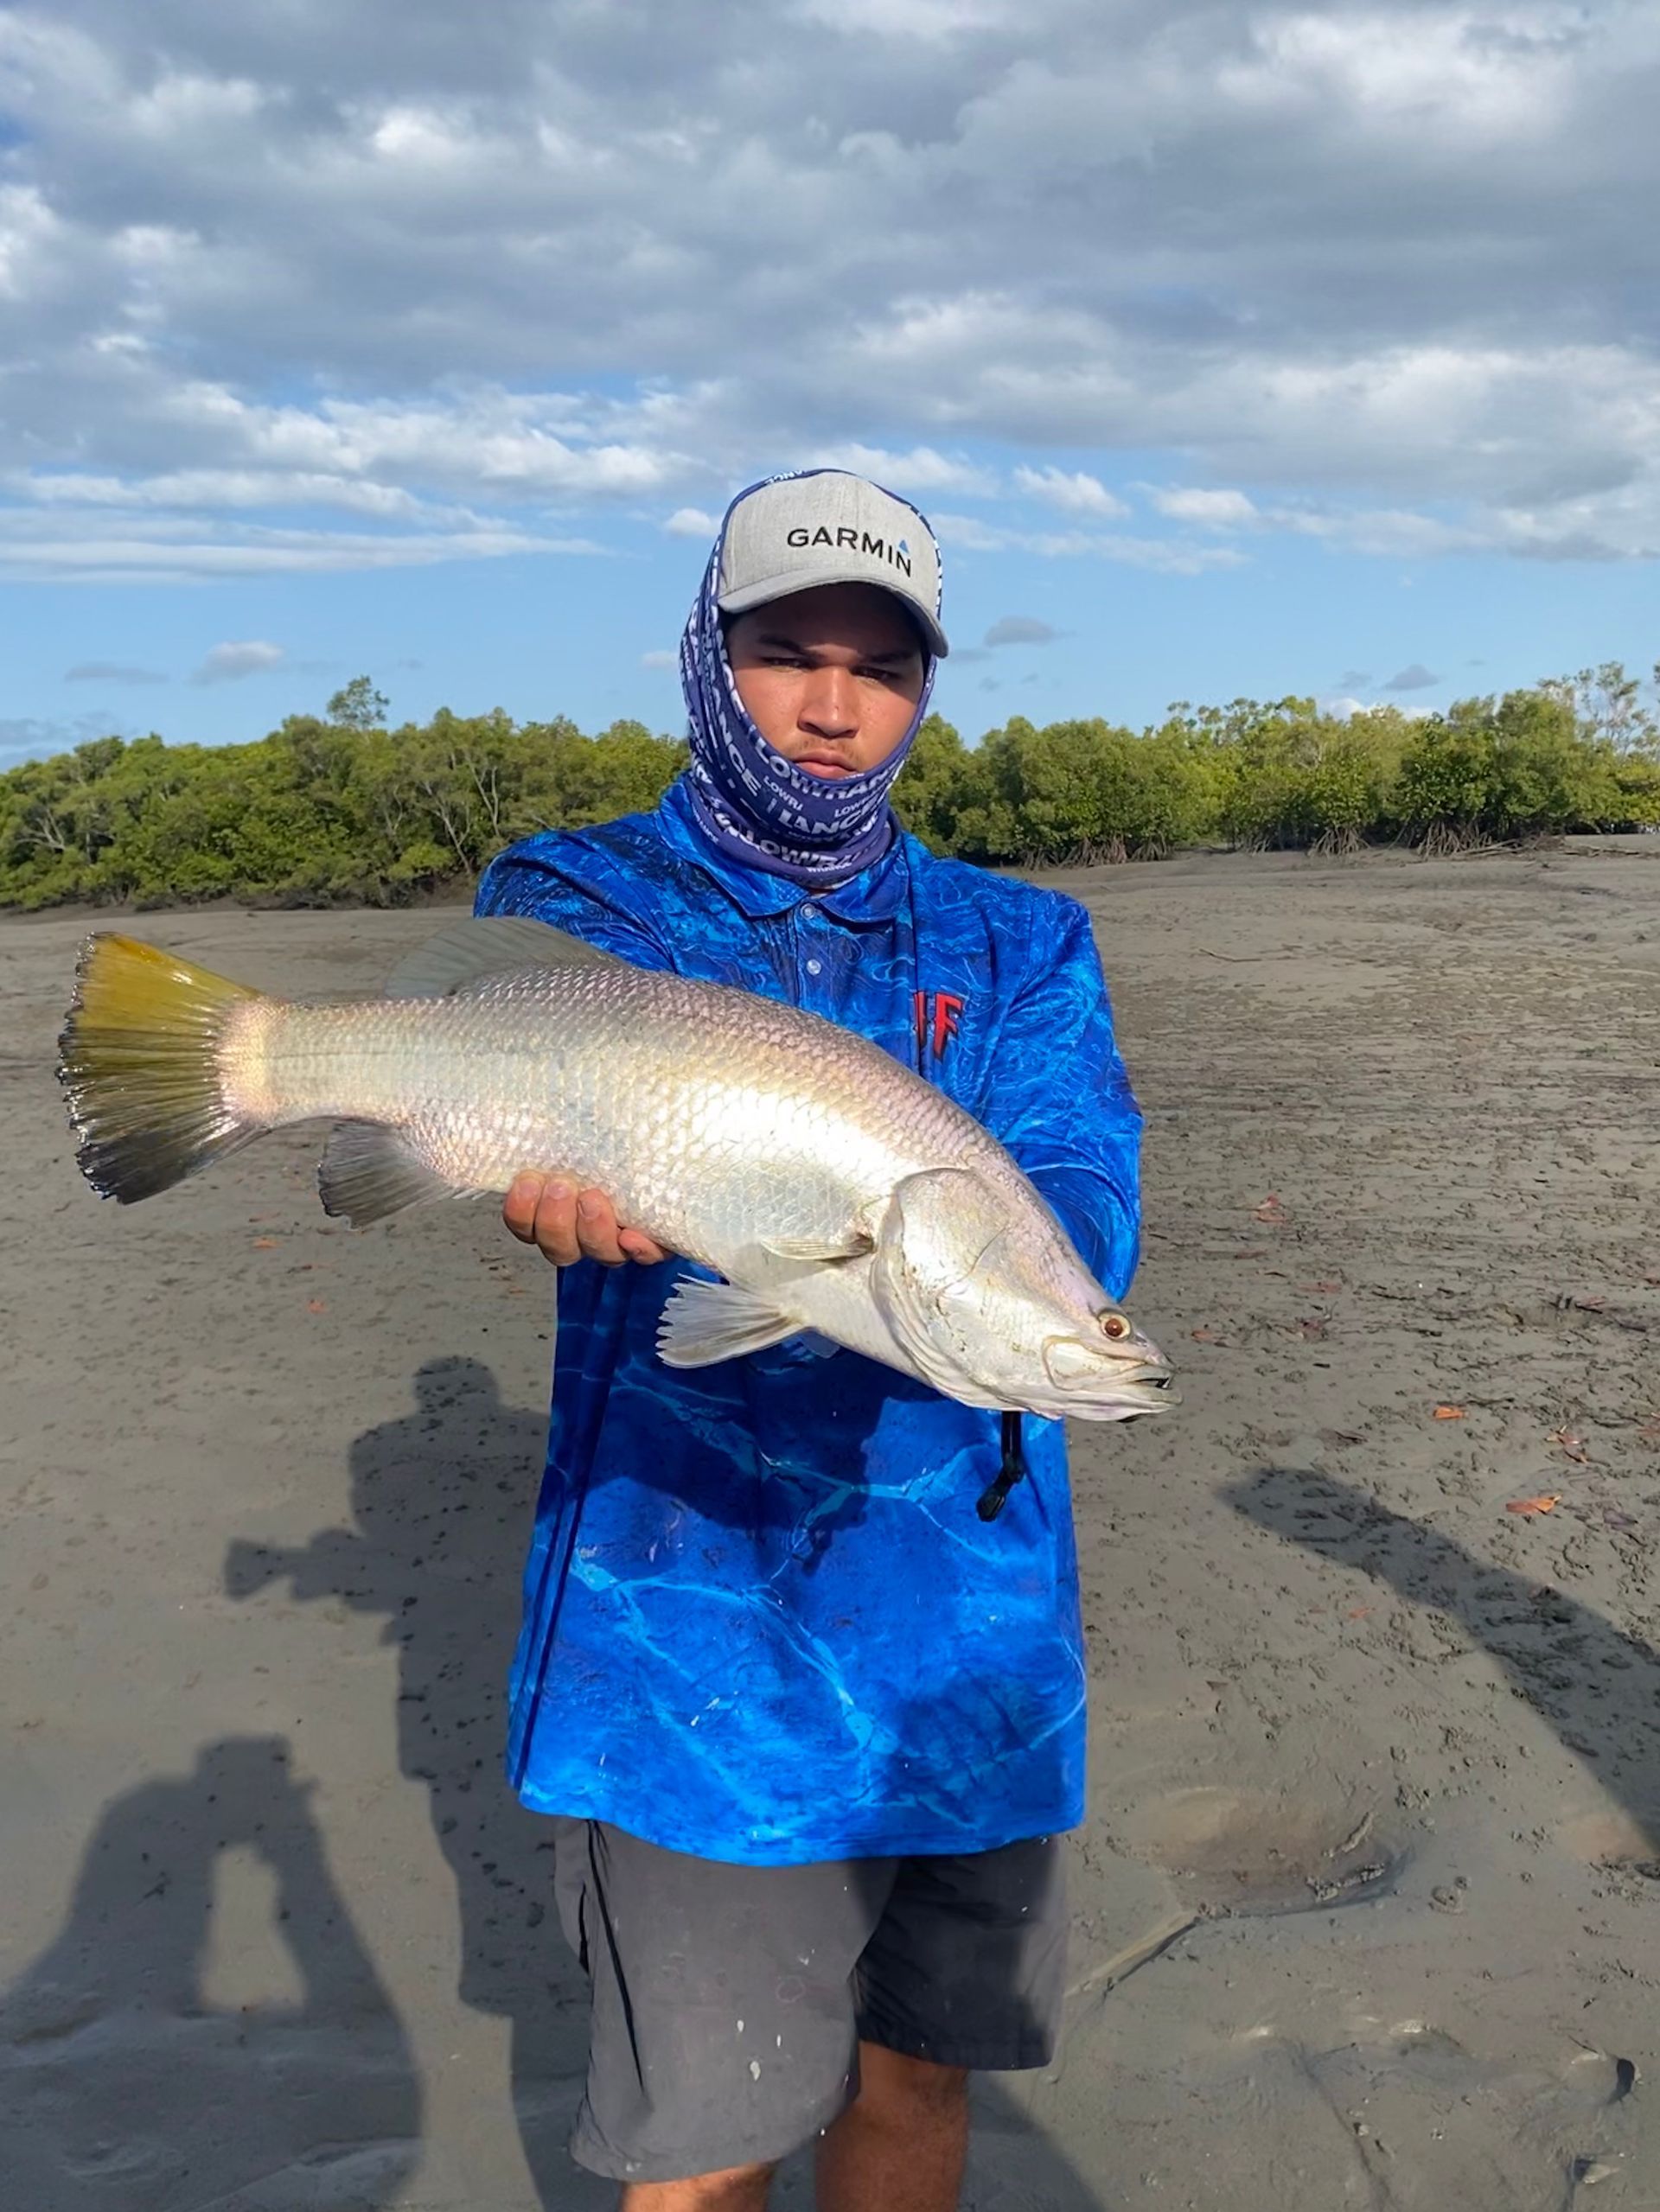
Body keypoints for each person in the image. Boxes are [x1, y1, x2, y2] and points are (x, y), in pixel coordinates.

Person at [474, 469, 1143, 2211]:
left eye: (882, 667)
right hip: (685, 1639)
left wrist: (1052, 1292)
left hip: (962, 1646)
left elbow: (1077, 1177)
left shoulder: (1025, 940)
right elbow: (509, 1082)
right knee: (703, 2142)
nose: (834, 707)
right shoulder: (590, 896)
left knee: (917, 2079)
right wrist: (528, 1178)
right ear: (709, 653)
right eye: (786, 653)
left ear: (927, 688)